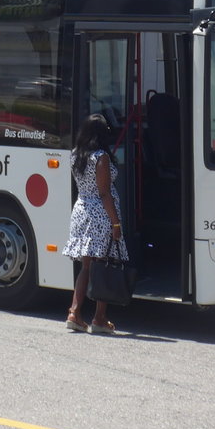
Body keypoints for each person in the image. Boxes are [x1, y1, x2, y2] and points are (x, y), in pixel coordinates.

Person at [62, 114, 128, 334]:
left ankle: (74, 313)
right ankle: (99, 318)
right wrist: (116, 224)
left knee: (87, 266)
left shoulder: (75, 155)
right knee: (104, 264)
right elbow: (104, 193)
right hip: (100, 215)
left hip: (81, 210)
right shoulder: (101, 157)